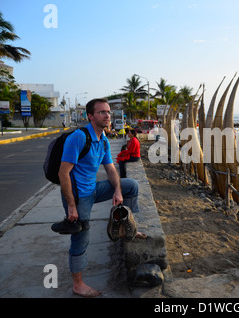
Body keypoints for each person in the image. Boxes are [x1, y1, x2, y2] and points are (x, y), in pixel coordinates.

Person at [56, 98, 145, 297]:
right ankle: (78, 284)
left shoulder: (103, 139)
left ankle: (127, 225)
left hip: (93, 189)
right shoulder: (78, 138)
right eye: (102, 112)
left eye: (108, 112)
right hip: (78, 195)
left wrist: (118, 191)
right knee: (81, 238)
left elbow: (111, 169)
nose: (107, 116)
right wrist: (71, 206)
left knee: (131, 185)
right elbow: (63, 173)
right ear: (90, 116)